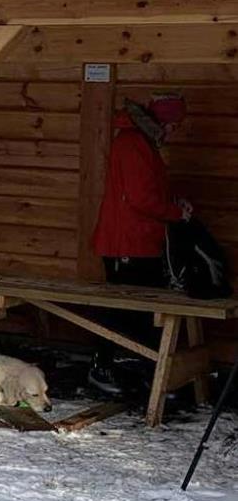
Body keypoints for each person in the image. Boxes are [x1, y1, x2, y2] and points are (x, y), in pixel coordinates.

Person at [90, 94, 192, 393]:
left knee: (135, 309)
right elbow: (140, 198)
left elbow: (145, 193)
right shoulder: (134, 144)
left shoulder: (139, 142)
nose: (174, 131)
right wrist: (176, 212)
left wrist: (173, 204)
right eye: (174, 124)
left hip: (136, 241)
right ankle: (103, 367)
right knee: (122, 309)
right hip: (128, 243)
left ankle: (135, 367)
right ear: (162, 121)